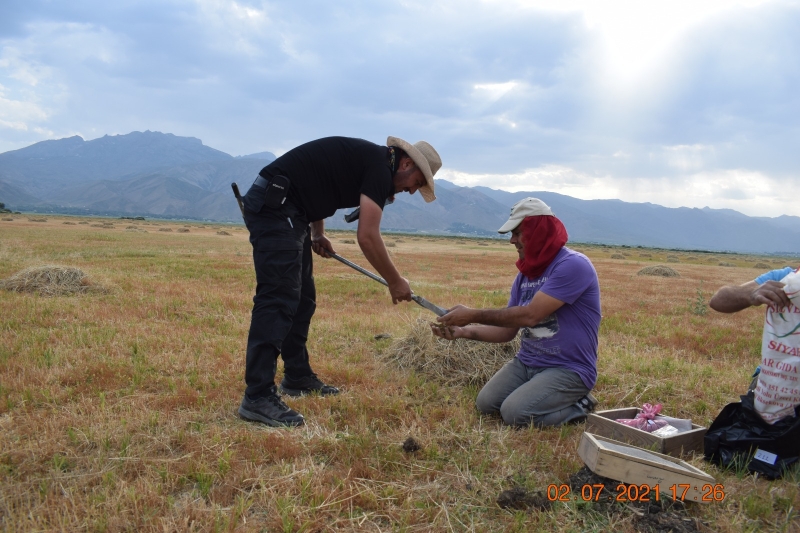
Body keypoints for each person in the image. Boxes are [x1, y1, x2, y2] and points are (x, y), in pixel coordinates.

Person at [239, 136, 442, 427]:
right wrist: (395, 280)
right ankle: (257, 396)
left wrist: (317, 232)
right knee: (278, 300)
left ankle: (297, 376)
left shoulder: (375, 163)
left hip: (292, 211)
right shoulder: (380, 168)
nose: (411, 191)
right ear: (406, 163)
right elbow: (368, 236)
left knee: (302, 298)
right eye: (417, 181)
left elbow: (319, 184)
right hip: (276, 207)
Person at [431, 197, 601, 427]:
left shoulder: (573, 265)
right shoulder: (525, 275)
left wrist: (472, 314)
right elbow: (507, 332)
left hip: (568, 369)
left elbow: (530, 316)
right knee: (486, 403)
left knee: (514, 413)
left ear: (539, 232)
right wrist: (463, 331)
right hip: (527, 363)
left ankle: (579, 406)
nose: (512, 241)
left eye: (518, 233)